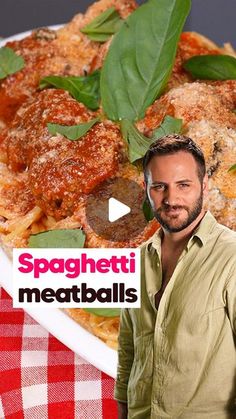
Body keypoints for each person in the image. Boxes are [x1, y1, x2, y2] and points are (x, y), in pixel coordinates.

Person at [114, 134, 236, 418]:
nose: (171, 199)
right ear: (146, 189)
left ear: (204, 186)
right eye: (160, 187)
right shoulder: (138, 260)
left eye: (184, 185)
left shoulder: (230, 257)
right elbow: (128, 350)